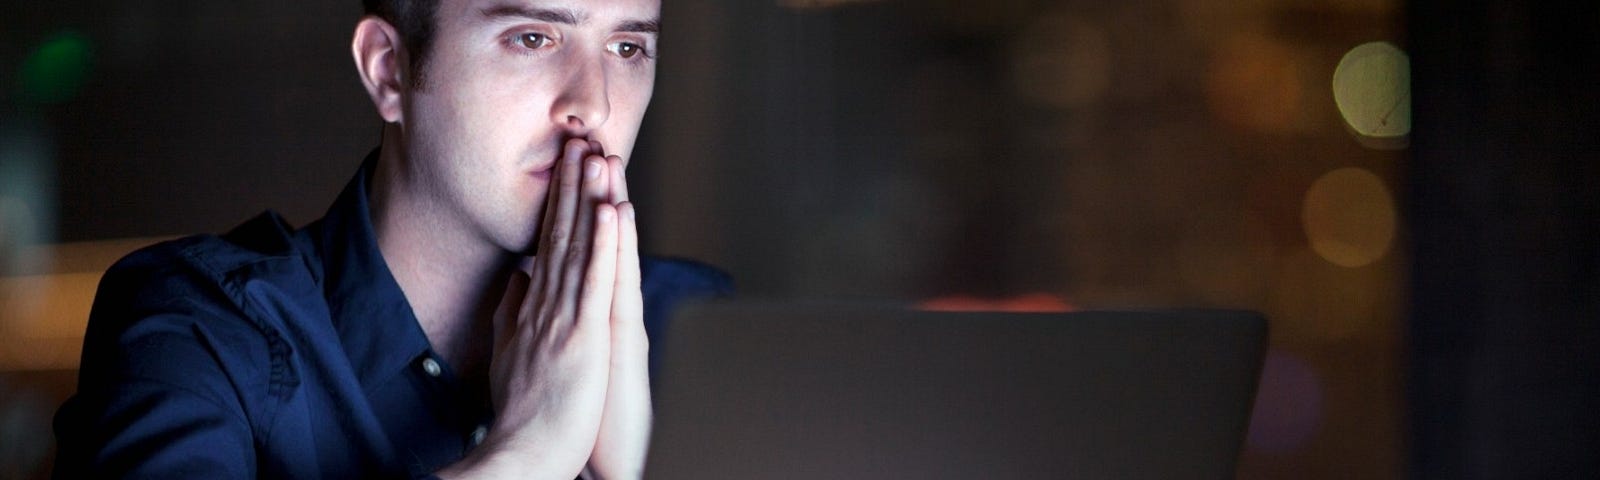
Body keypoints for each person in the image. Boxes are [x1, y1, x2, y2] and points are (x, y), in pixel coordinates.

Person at [52, 0, 729, 477]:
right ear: (388, 70)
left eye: (629, 47)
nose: (596, 103)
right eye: (533, 37)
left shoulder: (707, 326)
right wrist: (530, 453)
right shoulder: (196, 324)